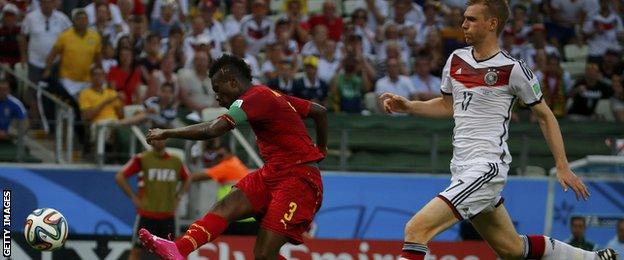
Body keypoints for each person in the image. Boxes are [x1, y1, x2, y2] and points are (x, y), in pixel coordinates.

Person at [379, 1, 617, 259]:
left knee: (416, 229)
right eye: (464, 18)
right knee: (513, 250)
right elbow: (449, 105)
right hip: (461, 168)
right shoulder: (456, 59)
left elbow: (545, 116)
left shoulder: (514, 70)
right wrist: (410, 106)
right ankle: (593, 258)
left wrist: (562, 165)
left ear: (492, 23)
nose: (463, 24)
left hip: (487, 168)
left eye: (471, 19)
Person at [139, 54, 328, 259]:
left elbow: (213, 129)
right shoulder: (269, 95)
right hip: (273, 173)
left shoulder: (251, 99)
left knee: (263, 255)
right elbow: (318, 112)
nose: (217, 97)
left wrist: (168, 132)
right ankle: (179, 249)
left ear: (233, 82)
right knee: (225, 207)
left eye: (218, 90)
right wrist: (321, 149)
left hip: (298, 180)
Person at [115, 138, 191, 260]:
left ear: (166, 140)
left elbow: (187, 178)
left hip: (167, 215)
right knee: (136, 251)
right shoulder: (142, 159)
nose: (158, 142)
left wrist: (179, 197)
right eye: (155, 139)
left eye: (161, 138)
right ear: (150, 141)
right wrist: (134, 197)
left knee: (170, 252)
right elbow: (120, 176)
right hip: (147, 214)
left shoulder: (176, 160)